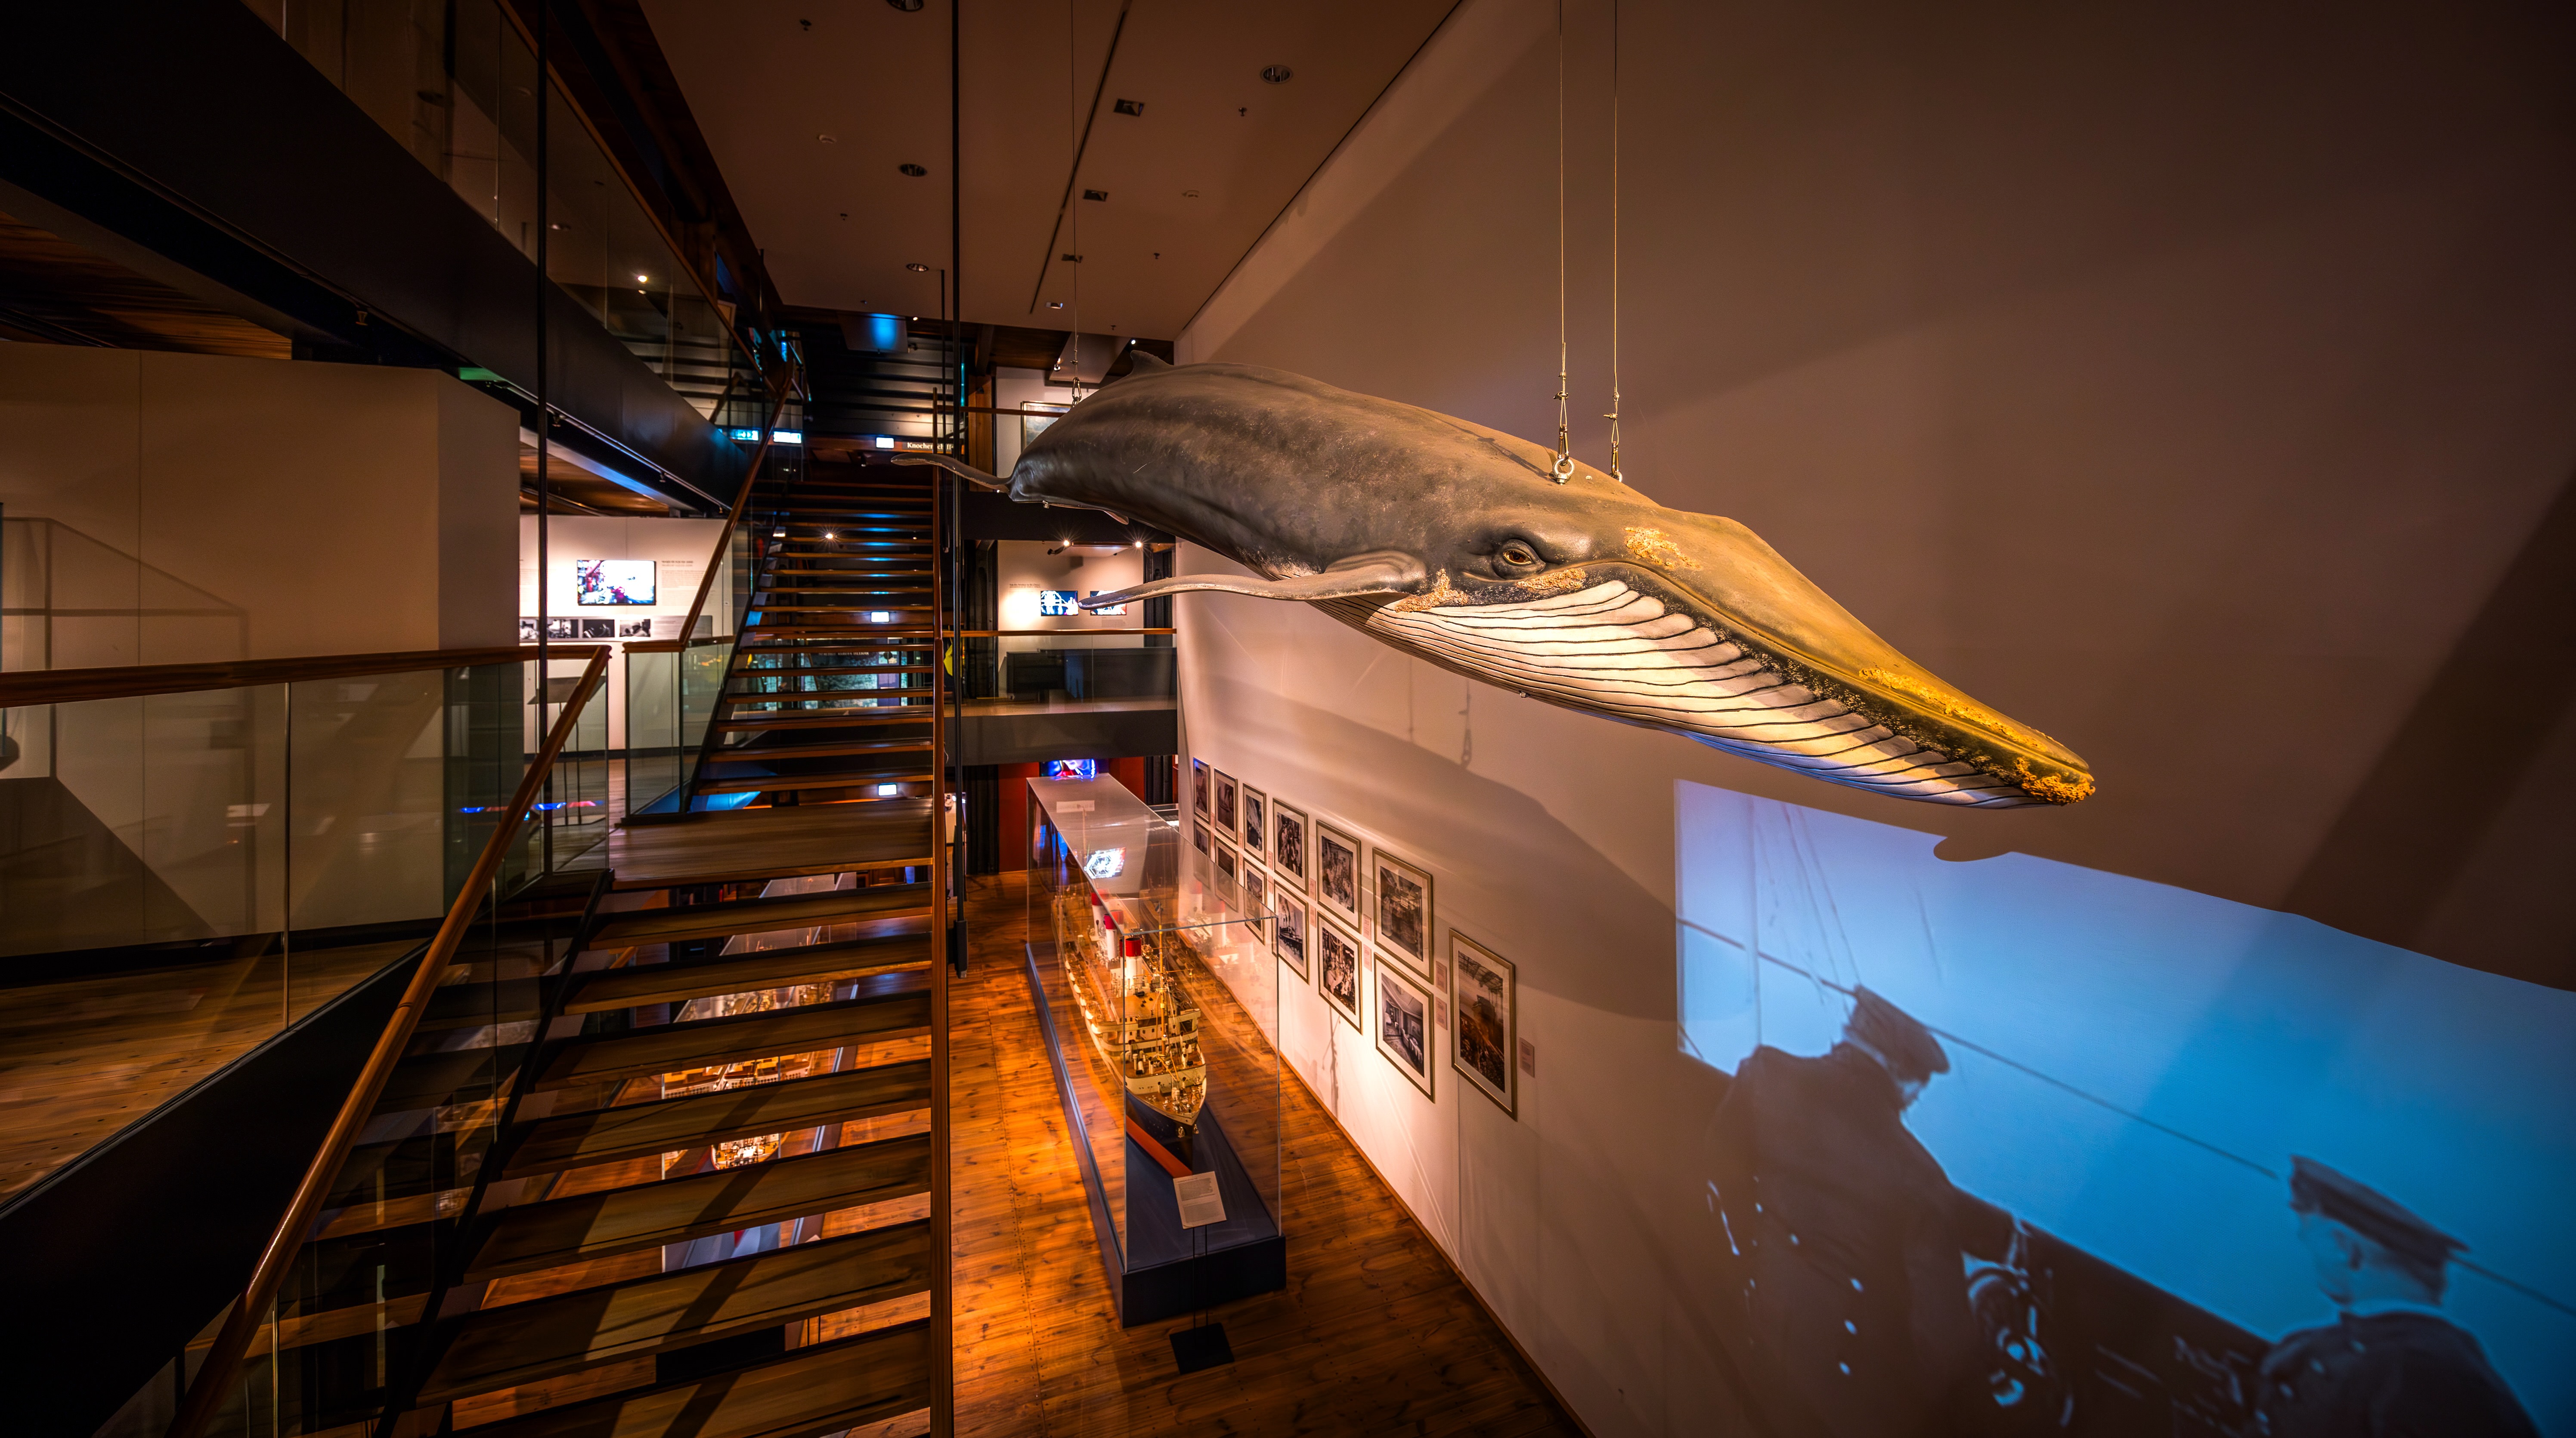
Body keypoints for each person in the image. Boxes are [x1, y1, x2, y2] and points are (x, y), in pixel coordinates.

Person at [1691, 987, 1982, 1438]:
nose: (1913, 1102)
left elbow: (1715, 1172)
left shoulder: (1765, 1073)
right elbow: (1944, 1344)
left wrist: (1749, 1261)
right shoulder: (1921, 1179)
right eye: (1917, 1091)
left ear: (1849, 1032)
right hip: (1843, 1406)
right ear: (1902, 1074)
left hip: (1754, 1339)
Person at [2254, 1157, 2537, 1438]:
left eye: (2307, 1229)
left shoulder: (2428, 1373)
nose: (2303, 1239)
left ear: (2345, 1248)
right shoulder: (2354, 1346)